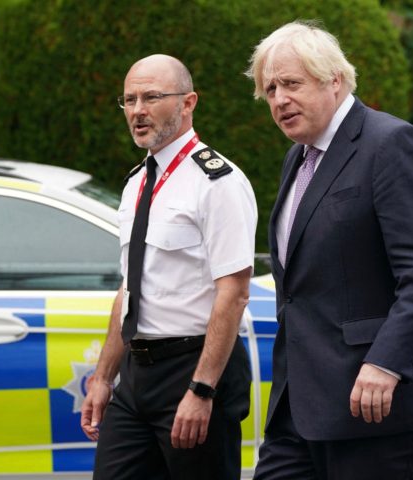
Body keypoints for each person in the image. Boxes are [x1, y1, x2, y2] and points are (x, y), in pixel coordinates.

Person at [245, 21, 413, 479]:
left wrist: (386, 361)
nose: (279, 99)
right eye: (271, 88)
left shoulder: (393, 144)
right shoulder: (298, 157)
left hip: (370, 405)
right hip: (298, 407)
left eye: (292, 84)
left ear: (334, 80)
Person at [80, 54, 257, 480]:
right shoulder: (136, 182)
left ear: (188, 103)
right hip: (136, 377)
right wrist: (104, 377)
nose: (138, 110)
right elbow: (130, 287)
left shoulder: (219, 183)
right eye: (129, 99)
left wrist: (201, 389)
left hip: (194, 369)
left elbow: (233, 292)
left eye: (152, 97)